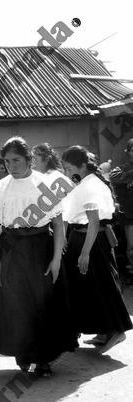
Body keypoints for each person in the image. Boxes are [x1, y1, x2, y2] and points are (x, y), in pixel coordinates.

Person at [0, 137, 77, 377]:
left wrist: (56, 259)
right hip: (11, 250)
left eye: (16, 160)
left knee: (42, 304)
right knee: (17, 305)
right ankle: (24, 355)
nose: (10, 166)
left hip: (41, 249)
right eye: (7, 161)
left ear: (29, 160)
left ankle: (44, 358)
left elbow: (58, 224)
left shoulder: (45, 184)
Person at [62, 145, 132, 353]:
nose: (67, 172)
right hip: (81, 238)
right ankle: (102, 330)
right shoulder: (85, 182)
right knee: (89, 288)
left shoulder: (91, 185)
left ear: (82, 166)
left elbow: (93, 221)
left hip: (92, 241)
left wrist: (85, 252)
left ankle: (116, 330)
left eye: (69, 168)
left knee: (104, 285)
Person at [32, 143, 74, 224]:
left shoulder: (56, 178)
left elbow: (64, 210)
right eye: (32, 159)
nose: (32, 163)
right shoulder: (40, 177)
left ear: (46, 160)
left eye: (35, 159)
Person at [110, 138, 133, 274]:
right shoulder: (122, 168)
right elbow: (113, 177)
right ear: (128, 152)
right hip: (130, 215)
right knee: (131, 247)